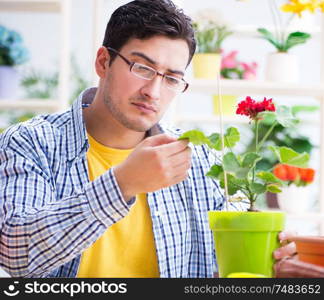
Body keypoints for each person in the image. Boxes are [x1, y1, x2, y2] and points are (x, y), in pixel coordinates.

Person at [0, 0, 289, 278]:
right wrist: (122, 183)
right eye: (142, 68)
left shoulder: (198, 159)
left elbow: (224, 270)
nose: (153, 91)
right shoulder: (31, 142)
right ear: (103, 62)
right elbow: (15, 255)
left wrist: (269, 259)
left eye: (171, 78)